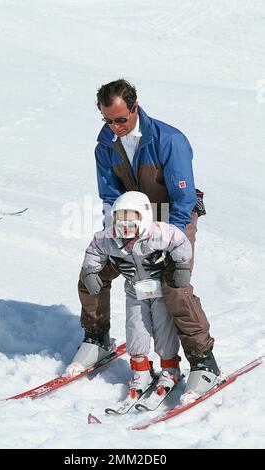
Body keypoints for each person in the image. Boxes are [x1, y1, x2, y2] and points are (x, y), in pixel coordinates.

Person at [72, 78, 220, 396]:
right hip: (130, 221)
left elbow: (182, 202)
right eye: (108, 120)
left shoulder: (169, 140)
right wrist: (115, 245)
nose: (115, 126)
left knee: (173, 287)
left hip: (174, 217)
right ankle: (97, 339)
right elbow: (111, 199)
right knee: (93, 271)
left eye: (121, 119)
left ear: (135, 107)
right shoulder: (105, 146)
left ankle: (204, 361)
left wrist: (168, 247)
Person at [67, 192, 197, 398]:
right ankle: (140, 370)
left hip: (159, 291)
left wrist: (182, 265)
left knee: (163, 329)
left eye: (131, 219)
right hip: (135, 292)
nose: (124, 227)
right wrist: (90, 271)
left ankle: (170, 368)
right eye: (120, 220)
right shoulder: (110, 237)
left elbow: (180, 241)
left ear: (144, 217)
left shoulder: (159, 233)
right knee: (136, 328)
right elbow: (94, 249)